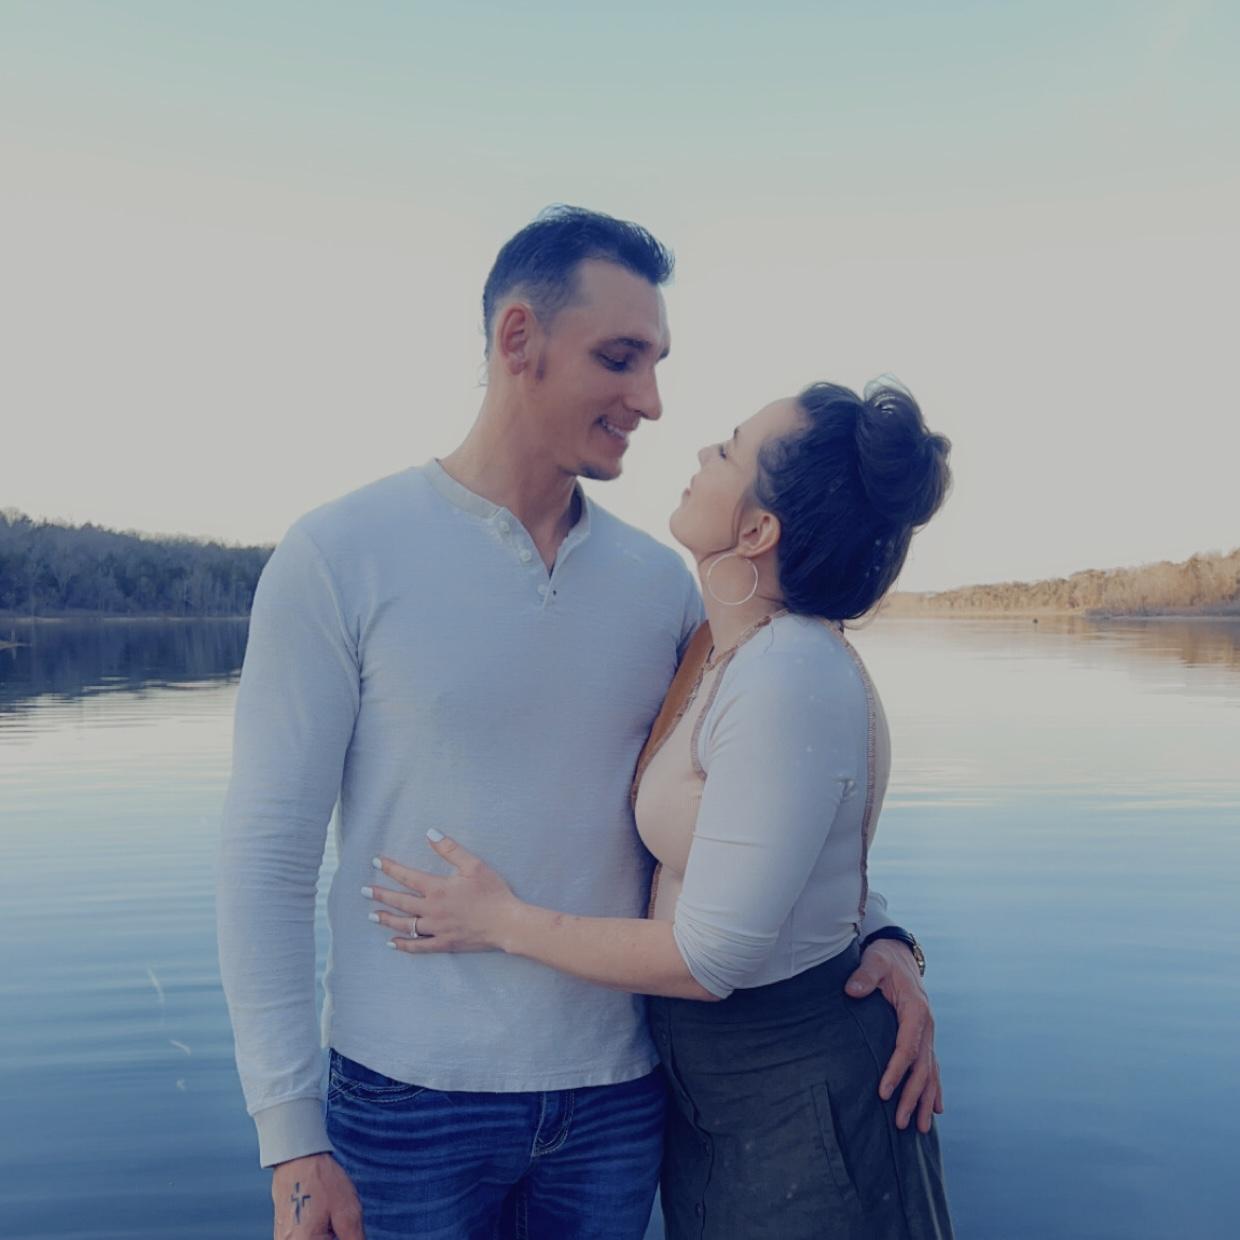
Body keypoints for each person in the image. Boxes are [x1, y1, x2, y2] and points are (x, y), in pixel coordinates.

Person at [217, 206, 941, 1240]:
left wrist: (883, 938)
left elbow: (773, 801)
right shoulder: (339, 555)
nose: (651, 400)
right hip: (406, 1100)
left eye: (656, 363)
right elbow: (267, 859)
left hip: (619, 1099)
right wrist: (291, 1138)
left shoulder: (662, 587)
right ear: (520, 339)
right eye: (620, 358)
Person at [369, 378, 954, 1238]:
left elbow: (710, 957)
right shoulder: (724, 648)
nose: (701, 453)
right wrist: (888, 936)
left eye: (728, 450)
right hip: (721, 1097)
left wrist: (499, 921)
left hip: (800, 1095)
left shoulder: (790, 673)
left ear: (757, 531)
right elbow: (784, 857)